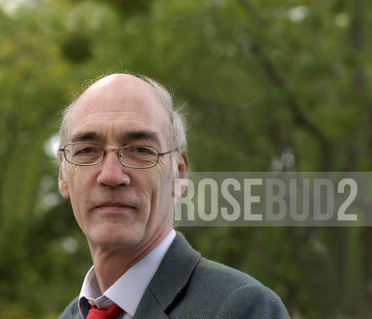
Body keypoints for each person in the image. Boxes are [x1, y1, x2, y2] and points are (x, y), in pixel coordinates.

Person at [56, 73, 290, 319]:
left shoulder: (243, 308)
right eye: (87, 151)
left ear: (179, 172)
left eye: (140, 150)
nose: (112, 175)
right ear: (63, 175)